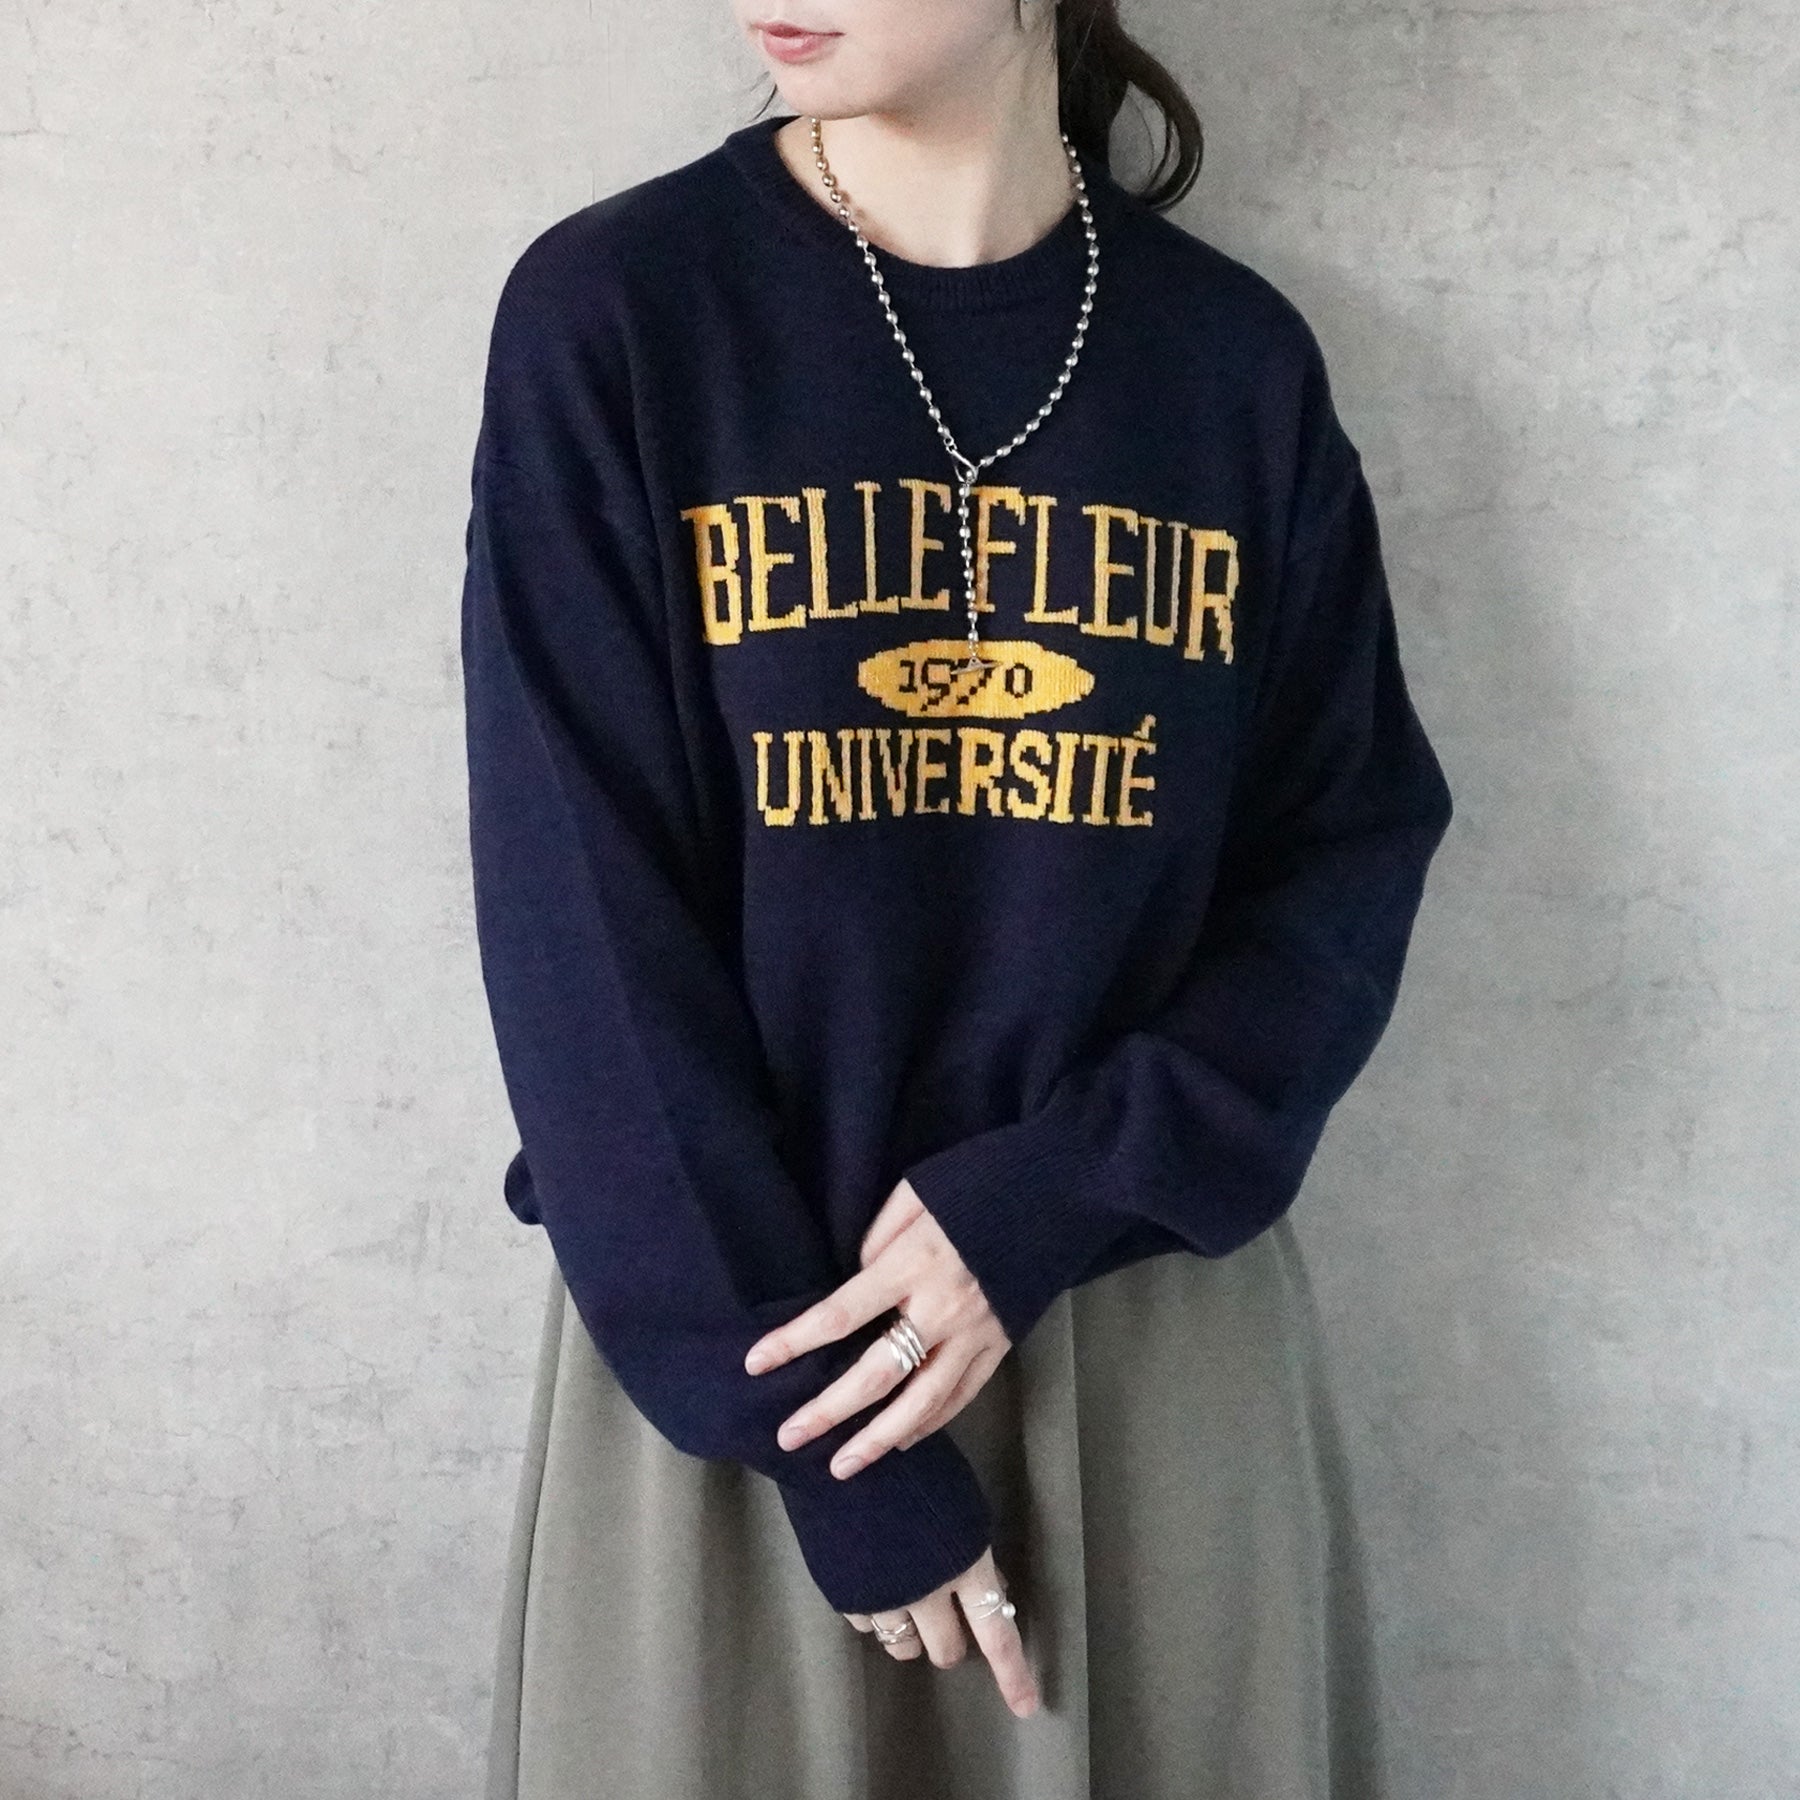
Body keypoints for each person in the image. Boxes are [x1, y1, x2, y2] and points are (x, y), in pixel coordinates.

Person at [460, 2, 1455, 1795]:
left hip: (1143, 1349)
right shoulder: (622, 319)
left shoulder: (1229, 366)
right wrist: (823, 1452)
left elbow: (1346, 853)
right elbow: (578, 932)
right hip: (754, 1365)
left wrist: (1062, 1189)